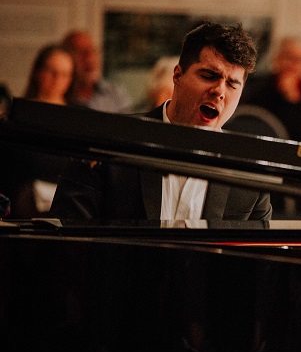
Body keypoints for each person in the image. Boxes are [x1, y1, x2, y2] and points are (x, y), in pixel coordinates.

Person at [51, 22, 271, 221]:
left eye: (232, 84)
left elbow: (258, 260)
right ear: (177, 76)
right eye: (208, 76)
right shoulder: (108, 142)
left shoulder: (251, 175)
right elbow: (68, 239)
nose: (219, 91)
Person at [2, 44, 77, 218]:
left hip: (66, 206)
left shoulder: (79, 116)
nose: (57, 79)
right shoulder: (18, 113)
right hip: (23, 205)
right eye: (52, 71)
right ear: (38, 72)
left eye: (65, 74)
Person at [244, 35, 301, 142]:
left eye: (300, 60)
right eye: (289, 57)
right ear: (277, 58)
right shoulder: (255, 87)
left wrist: (291, 100)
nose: (293, 65)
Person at [61, 30, 133, 113]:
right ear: (66, 58)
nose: (89, 57)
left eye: (92, 50)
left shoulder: (115, 94)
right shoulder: (59, 94)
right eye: (81, 52)